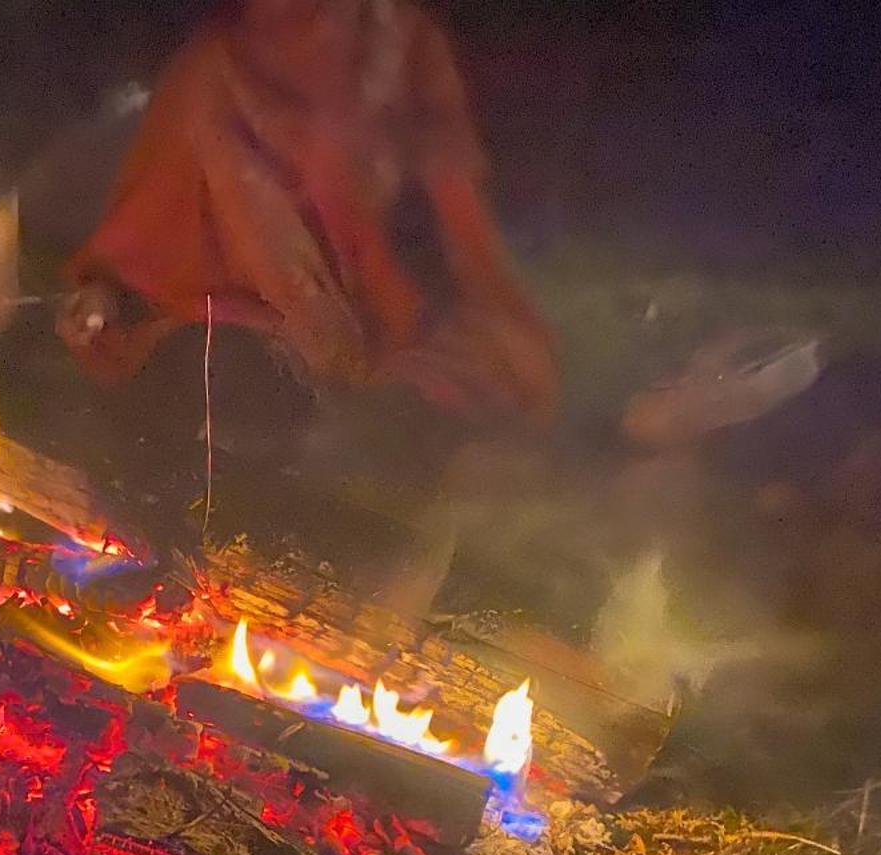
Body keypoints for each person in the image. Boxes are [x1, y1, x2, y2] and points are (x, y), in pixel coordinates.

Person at [54, 0, 556, 576]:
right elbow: (146, 235)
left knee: (418, 447)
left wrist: (451, 332)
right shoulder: (214, 70)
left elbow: (456, 220)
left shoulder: (405, 45)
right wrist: (105, 298)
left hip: (383, 338)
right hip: (227, 337)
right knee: (232, 408)